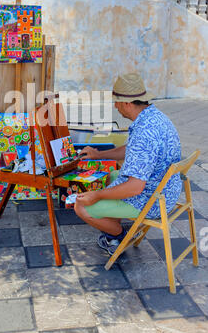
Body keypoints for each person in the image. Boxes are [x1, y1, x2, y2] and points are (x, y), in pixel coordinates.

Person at [74, 72, 182, 256]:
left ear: (126, 103)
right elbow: (131, 150)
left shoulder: (144, 133)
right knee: (106, 177)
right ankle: (112, 228)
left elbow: (134, 188)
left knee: (81, 205)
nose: (115, 107)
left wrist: (97, 196)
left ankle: (120, 236)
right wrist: (98, 154)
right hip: (167, 189)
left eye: (116, 102)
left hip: (152, 199)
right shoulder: (153, 116)